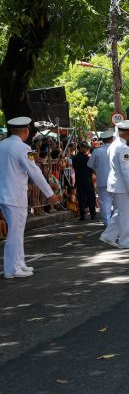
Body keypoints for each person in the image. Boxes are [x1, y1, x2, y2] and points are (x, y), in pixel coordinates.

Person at [0, 117, 56, 279]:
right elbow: (35, 171)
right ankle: (12, 269)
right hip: (15, 195)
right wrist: (49, 193)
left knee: (17, 231)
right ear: (25, 131)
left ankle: (19, 263)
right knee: (15, 232)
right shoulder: (24, 148)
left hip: (5, 194)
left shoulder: (2, 145)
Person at [99, 120, 129, 249]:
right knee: (125, 214)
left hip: (115, 183)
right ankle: (125, 241)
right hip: (122, 185)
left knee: (120, 212)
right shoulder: (123, 148)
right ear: (128, 133)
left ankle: (108, 236)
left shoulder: (113, 145)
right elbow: (125, 170)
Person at [88, 130, 114, 224]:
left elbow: (90, 165)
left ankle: (107, 221)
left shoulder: (97, 151)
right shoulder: (117, 150)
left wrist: (97, 169)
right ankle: (117, 221)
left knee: (104, 200)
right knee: (117, 201)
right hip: (116, 179)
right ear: (112, 139)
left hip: (102, 179)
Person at [72, 142, 96, 221]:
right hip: (87, 180)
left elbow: (74, 167)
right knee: (90, 197)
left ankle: (82, 215)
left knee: (81, 198)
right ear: (81, 148)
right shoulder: (87, 158)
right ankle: (93, 214)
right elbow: (91, 168)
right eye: (86, 148)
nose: (87, 149)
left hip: (79, 180)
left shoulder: (75, 158)